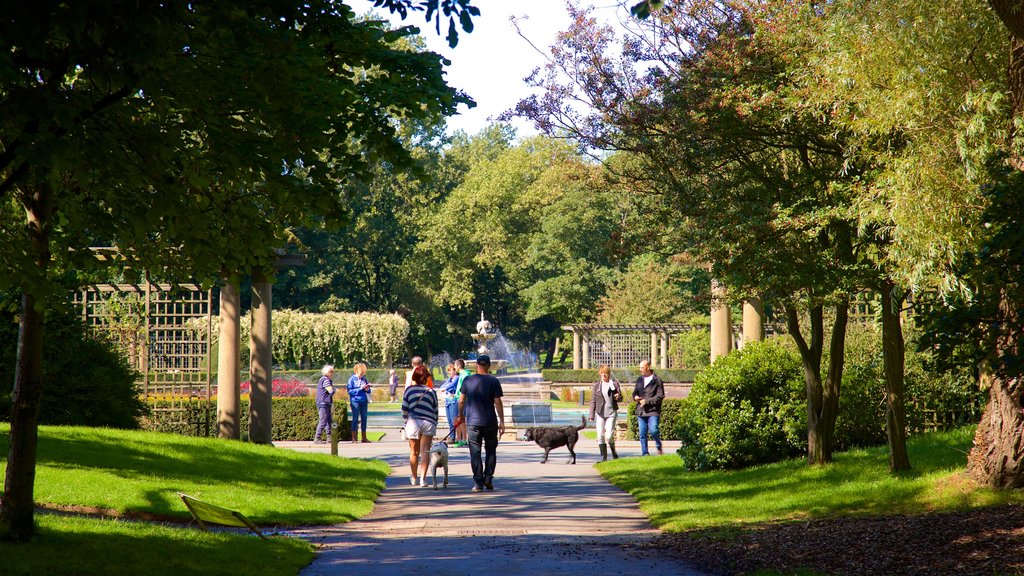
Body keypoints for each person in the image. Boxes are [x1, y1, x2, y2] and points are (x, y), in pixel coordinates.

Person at [456, 354, 504, 492]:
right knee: (491, 451)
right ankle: (488, 478)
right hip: (490, 421)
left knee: (475, 452)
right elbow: (498, 402)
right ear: (488, 366)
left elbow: (461, 400)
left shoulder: (468, 380)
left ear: (476, 365)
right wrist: (502, 421)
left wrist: (460, 415)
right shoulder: (493, 381)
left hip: (473, 422)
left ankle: (478, 483)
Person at [402, 364, 438, 487]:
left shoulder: (409, 390)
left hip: (413, 422)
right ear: (426, 377)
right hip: (428, 422)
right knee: (425, 451)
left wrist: (405, 422)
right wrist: (435, 422)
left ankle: (414, 477)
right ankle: (423, 479)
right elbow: (435, 409)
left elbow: (404, 409)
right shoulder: (431, 391)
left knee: (413, 451)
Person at [589, 364, 623, 461]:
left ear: (609, 374)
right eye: (602, 373)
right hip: (600, 414)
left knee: (609, 436)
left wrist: (617, 397)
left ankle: (613, 452)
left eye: (606, 373)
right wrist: (591, 415)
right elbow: (593, 401)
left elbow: (620, 398)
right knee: (600, 435)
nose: (604, 375)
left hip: (611, 413)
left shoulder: (614, 384)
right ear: (600, 373)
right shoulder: (596, 386)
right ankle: (603, 457)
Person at [632, 359, 665, 456]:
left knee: (654, 430)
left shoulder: (657, 380)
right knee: (642, 433)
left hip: (653, 411)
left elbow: (660, 397)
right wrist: (635, 397)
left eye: (642, 368)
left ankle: (658, 446)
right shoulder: (639, 379)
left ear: (648, 367)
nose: (640, 370)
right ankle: (645, 453)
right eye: (640, 368)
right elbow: (635, 392)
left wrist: (646, 401)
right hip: (641, 411)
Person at [347, 362, 372, 444]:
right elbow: (350, 391)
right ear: (356, 371)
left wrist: (367, 388)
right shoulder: (351, 379)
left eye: (363, 373)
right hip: (355, 401)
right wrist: (360, 389)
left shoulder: (364, 379)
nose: (362, 375)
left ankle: (364, 437)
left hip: (364, 400)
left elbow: (368, 390)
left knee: (364, 419)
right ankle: (354, 438)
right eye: (361, 373)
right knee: (355, 419)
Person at [313, 364, 336, 444]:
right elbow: (331, 391)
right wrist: (334, 389)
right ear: (326, 372)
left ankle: (329, 437)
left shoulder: (322, 379)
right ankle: (317, 438)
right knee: (323, 420)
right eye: (331, 371)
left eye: (332, 371)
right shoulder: (326, 380)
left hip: (324, 402)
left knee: (328, 420)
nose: (332, 373)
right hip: (323, 403)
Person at [452, 358, 471, 446]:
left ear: (458, 366)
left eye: (455, 366)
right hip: (458, 398)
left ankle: (464, 439)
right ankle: (459, 438)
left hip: (461, 399)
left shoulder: (464, 375)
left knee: (461, 419)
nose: (454, 368)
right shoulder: (463, 374)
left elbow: (463, 389)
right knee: (457, 419)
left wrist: (459, 396)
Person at [440, 363, 460, 440]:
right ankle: (452, 436)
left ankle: (455, 437)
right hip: (448, 400)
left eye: (451, 371)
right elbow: (442, 386)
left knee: (453, 419)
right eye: (449, 371)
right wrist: (444, 388)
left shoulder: (456, 378)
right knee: (449, 420)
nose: (449, 373)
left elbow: (451, 385)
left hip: (453, 400)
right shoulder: (450, 379)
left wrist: (445, 388)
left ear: (455, 371)